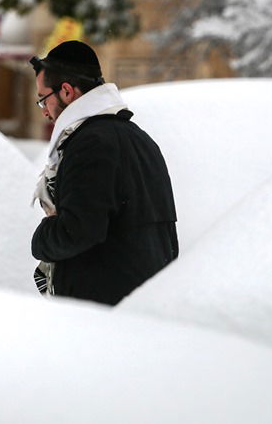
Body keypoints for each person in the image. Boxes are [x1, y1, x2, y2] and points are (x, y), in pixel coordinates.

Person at [29, 40, 178, 306]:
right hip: (144, 303)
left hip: (101, 314)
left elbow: (77, 231)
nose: (44, 111)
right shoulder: (138, 138)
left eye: (43, 99)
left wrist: (41, 238)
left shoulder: (91, 144)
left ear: (66, 91)